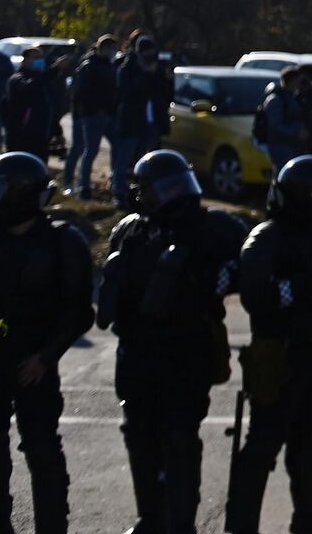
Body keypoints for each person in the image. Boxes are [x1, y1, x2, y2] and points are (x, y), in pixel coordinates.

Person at [99, 149, 248, 534]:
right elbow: (109, 297)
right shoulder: (131, 231)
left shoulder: (209, 227)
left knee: (180, 439)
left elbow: (253, 261)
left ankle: (182, 525)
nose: (169, 195)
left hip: (187, 351)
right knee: (139, 439)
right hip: (137, 354)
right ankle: (149, 519)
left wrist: (224, 275)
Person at [224, 155, 312, 534]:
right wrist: (300, 289)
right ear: (301, 198)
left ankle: (308, 514)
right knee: (263, 444)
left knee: (307, 437)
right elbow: (255, 294)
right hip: (279, 355)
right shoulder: (267, 238)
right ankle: (241, 524)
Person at [0, 152, 93, 534]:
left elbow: (79, 313)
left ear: (20, 194)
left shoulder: (62, 242)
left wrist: (45, 358)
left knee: (42, 450)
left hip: (35, 367)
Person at [114, 34, 172, 207]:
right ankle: (120, 193)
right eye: (146, 52)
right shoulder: (127, 69)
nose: (150, 55)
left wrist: (167, 80)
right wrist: (146, 74)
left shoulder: (158, 69)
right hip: (132, 122)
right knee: (125, 160)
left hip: (153, 122)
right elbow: (126, 92)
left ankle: (146, 194)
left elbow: (166, 96)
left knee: (148, 161)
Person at [68, 34, 119, 198]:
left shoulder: (109, 66)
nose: (114, 52)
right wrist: (96, 109)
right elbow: (81, 93)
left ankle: (115, 180)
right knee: (90, 150)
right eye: (112, 48)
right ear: (104, 48)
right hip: (93, 115)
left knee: (117, 145)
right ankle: (84, 187)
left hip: (108, 114)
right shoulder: (89, 66)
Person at [1, 46, 60, 160]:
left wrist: (57, 131)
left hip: (41, 137)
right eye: (35, 57)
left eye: (40, 58)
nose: (39, 61)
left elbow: (49, 108)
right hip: (21, 138)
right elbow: (29, 87)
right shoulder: (17, 79)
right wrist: (54, 69)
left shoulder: (44, 83)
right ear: (25, 60)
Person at [260, 65, 310, 175]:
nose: (300, 84)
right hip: (281, 148)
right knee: (282, 178)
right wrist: (296, 133)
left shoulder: (292, 98)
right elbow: (275, 126)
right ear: (292, 81)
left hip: (294, 147)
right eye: (298, 81)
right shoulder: (276, 100)